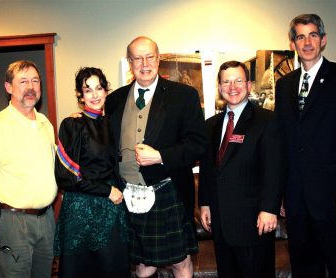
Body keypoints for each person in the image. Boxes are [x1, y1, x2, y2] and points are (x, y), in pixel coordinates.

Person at [104, 36, 207, 278]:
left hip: (167, 190)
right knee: (142, 265)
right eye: (137, 58)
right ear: (130, 62)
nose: (144, 63)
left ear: (158, 58)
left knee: (180, 262)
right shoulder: (114, 100)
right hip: (127, 194)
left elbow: (198, 145)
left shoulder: (183, 95)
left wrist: (161, 156)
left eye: (150, 56)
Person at [275, 14, 336, 277]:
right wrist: (281, 193)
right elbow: (283, 142)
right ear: (293, 43)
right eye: (300, 36)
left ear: (323, 40)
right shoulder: (284, 85)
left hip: (335, 199)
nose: (307, 42)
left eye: (313, 35)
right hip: (297, 201)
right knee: (304, 269)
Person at [0, 60, 57, 278]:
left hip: (46, 220)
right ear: (8, 87)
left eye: (35, 81)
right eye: (23, 81)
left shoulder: (45, 123)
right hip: (12, 223)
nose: (31, 87)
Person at [199, 61, 284, 277]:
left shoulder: (267, 120)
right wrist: (205, 203)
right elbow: (209, 169)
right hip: (220, 222)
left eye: (238, 80)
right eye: (226, 81)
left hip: (254, 222)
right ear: (219, 88)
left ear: (249, 85)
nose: (232, 86)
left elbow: (274, 169)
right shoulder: (210, 125)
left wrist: (270, 209)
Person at [54, 67, 130, 277]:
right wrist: (107, 191)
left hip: (112, 208)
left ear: (106, 91)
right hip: (81, 210)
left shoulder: (112, 124)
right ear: (80, 95)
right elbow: (67, 177)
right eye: (88, 90)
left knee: (114, 267)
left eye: (99, 88)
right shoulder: (72, 125)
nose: (95, 95)